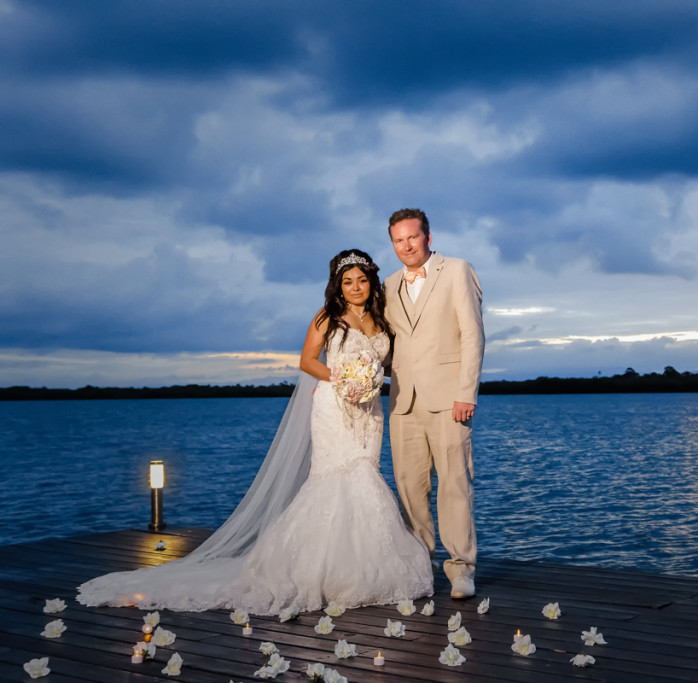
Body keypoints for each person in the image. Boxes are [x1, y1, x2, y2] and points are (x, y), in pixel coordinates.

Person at [77, 249, 433, 614]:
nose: (356, 287)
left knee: (365, 473)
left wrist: (373, 379)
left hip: (368, 410)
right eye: (348, 281)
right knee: (336, 477)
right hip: (333, 405)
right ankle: (312, 569)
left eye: (362, 280)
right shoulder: (329, 316)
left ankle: (364, 568)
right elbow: (307, 361)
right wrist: (343, 378)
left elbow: (388, 363)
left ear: (371, 281)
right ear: (337, 286)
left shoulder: (381, 318)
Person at [383, 208, 484, 599]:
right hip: (402, 401)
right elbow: (389, 344)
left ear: (427, 236)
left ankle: (461, 569)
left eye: (412, 237)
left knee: (455, 484)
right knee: (410, 487)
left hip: (449, 400)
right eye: (398, 240)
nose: (406, 246)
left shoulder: (457, 270)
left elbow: (472, 336)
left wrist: (466, 393)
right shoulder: (388, 285)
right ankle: (419, 566)